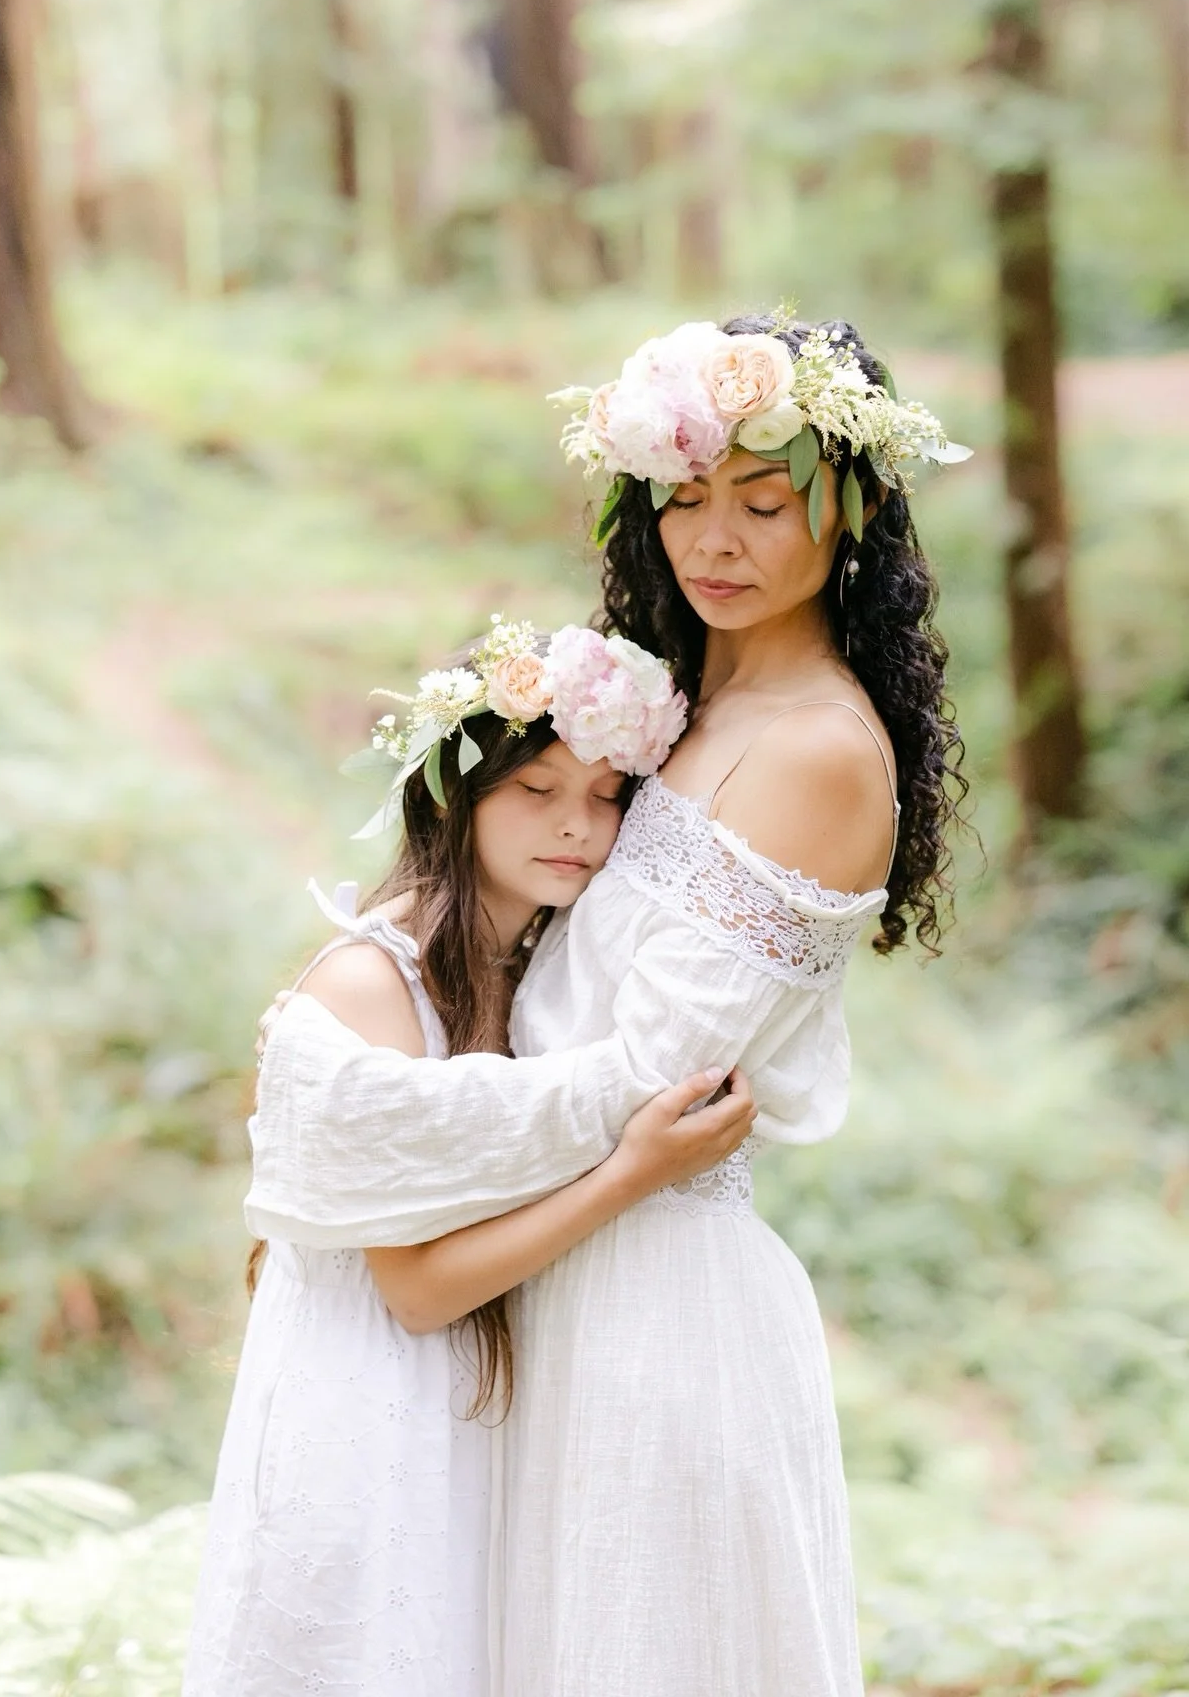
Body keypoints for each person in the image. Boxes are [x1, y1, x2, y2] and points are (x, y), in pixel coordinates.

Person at [247, 312, 972, 1694]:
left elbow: (651, 1079)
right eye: (685, 499)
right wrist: (373, 1005)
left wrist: (377, 1126)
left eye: (765, 503)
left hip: (655, 1306)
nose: (717, 540)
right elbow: (506, 890)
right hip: (536, 1271)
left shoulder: (815, 748)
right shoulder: (667, 705)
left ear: (853, 513)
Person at [180, 620, 755, 1697]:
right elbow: (417, 1289)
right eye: (536, 791)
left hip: (460, 1415)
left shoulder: (533, 969)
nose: (576, 827)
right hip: (370, 1415)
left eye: (604, 796)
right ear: (456, 792)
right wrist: (632, 1172)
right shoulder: (371, 982)